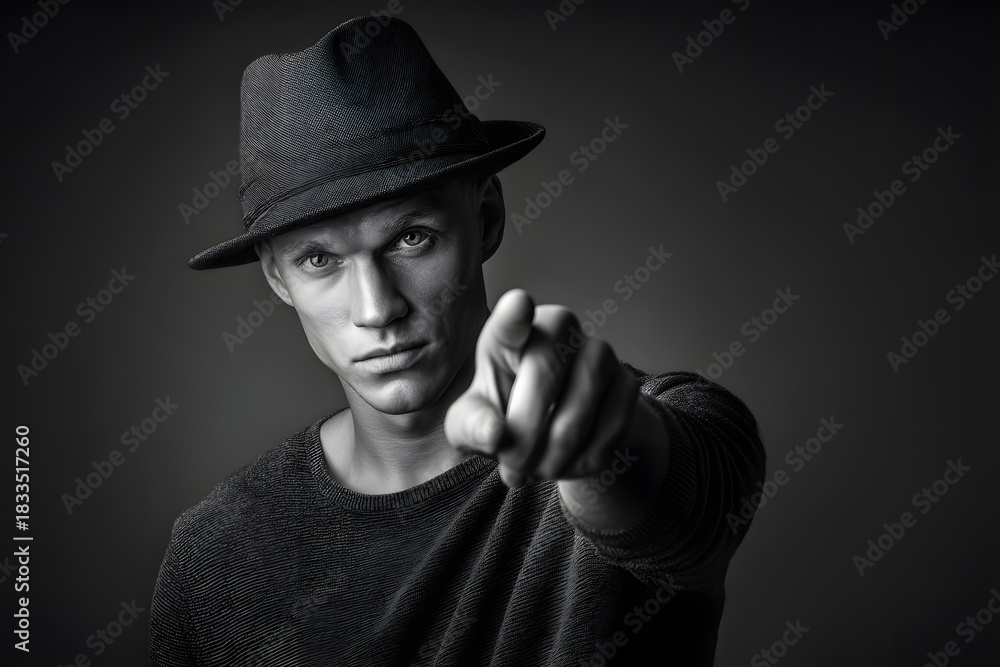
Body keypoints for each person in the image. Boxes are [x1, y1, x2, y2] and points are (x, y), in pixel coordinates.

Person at [149, 15, 766, 666]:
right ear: (277, 277)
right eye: (319, 260)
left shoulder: (663, 424)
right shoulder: (211, 554)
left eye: (411, 238)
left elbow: (686, 505)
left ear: (487, 218)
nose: (377, 308)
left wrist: (606, 455)